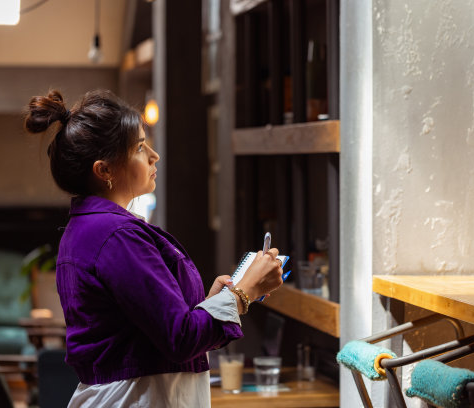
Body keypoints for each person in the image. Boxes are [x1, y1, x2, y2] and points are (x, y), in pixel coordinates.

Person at [24, 89, 284, 407]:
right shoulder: (114, 234)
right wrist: (242, 293)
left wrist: (214, 303)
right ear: (104, 170)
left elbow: (153, 331)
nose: (154, 155)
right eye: (139, 147)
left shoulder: (94, 229)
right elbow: (180, 338)